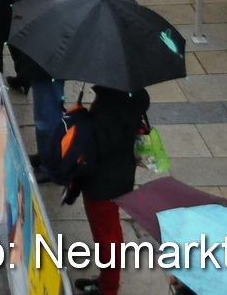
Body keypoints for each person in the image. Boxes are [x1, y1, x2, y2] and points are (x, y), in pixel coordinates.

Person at [74, 84, 150, 295]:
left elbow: (99, 146)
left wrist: (84, 123)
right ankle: (107, 280)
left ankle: (108, 288)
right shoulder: (133, 95)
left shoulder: (108, 106)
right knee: (108, 232)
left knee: (106, 235)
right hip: (121, 174)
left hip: (102, 181)